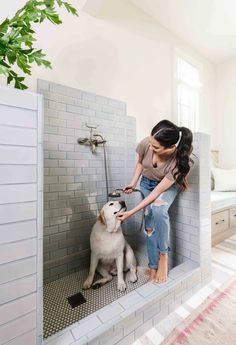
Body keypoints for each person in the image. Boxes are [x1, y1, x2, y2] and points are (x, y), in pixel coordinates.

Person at [116, 119, 193, 283]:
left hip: (165, 186)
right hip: (145, 182)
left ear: (171, 147)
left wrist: (130, 212)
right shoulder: (148, 142)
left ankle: (163, 257)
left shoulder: (178, 162)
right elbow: (139, 163)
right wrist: (133, 183)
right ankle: (152, 266)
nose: (150, 148)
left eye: (156, 147)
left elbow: (158, 192)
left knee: (159, 210)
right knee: (149, 226)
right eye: (150, 143)